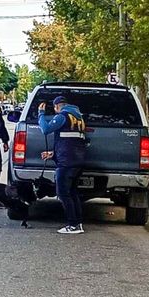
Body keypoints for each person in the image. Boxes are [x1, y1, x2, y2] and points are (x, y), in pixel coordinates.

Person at [38, 96, 87, 235]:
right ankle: (78, 223)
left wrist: (41, 113)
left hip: (66, 162)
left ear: (57, 106)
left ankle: (72, 225)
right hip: (78, 160)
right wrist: (53, 154)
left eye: (54, 109)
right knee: (72, 192)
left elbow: (45, 129)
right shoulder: (79, 117)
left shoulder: (62, 116)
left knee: (63, 193)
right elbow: (70, 141)